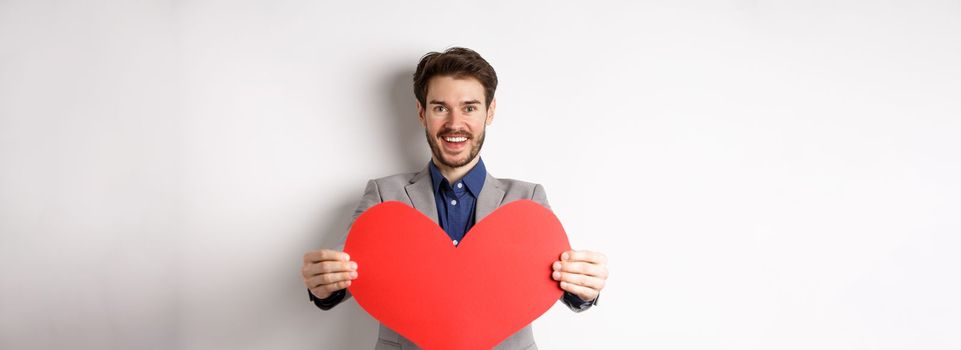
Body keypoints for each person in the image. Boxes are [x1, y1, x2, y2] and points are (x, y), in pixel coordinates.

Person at [300, 47, 609, 350]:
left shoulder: (526, 200)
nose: (454, 123)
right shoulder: (384, 196)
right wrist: (325, 284)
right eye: (440, 107)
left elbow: (557, 281)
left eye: (469, 107)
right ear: (422, 113)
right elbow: (346, 274)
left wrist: (584, 288)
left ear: (490, 111)